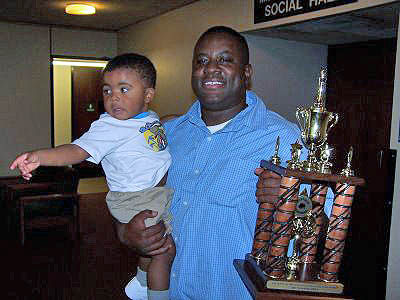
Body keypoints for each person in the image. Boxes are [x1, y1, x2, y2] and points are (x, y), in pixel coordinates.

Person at [113, 26, 314, 300]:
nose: (211, 69)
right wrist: (127, 233)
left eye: (225, 59)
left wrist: (291, 203)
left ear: (246, 73)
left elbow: (317, 226)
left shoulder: (283, 139)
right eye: (202, 61)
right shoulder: (167, 134)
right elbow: (130, 193)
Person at [10, 53, 175, 300]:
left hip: (149, 195)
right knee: (164, 251)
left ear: (148, 96)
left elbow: (153, 128)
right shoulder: (109, 127)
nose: (114, 97)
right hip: (135, 199)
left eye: (124, 89)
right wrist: (39, 157)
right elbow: (76, 150)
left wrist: (174, 120)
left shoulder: (146, 118)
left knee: (149, 245)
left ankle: (141, 282)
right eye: (107, 91)